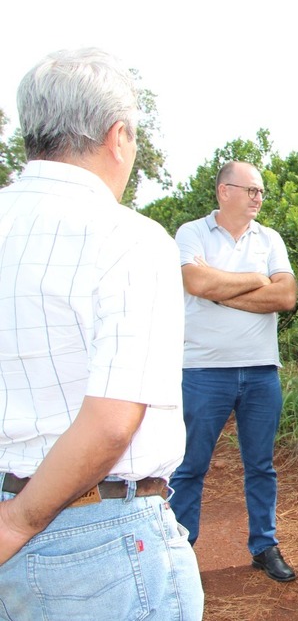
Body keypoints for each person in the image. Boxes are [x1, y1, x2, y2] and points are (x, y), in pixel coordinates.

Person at [0, 48, 203, 617]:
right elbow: (113, 421)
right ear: (118, 136)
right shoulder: (128, 239)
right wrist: (18, 521)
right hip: (100, 541)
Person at [171, 160, 298, 582]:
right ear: (224, 191)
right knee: (191, 464)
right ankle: (180, 549)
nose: (259, 197)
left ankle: (264, 546)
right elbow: (197, 284)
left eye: (261, 191)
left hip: (262, 371)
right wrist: (253, 280)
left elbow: (285, 296)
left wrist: (223, 291)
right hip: (204, 370)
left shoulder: (270, 238)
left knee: (261, 465)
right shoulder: (191, 233)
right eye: (251, 190)